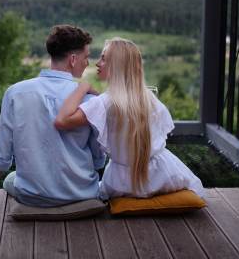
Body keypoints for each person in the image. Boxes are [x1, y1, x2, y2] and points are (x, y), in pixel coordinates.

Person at [0, 25, 106, 206]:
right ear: (72, 59)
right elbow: (97, 160)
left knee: (12, 178)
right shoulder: (90, 99)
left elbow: (1, 155)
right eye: (86, 57)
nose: (87, 63)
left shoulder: (15, 93)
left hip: (33, 197)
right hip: (82, 194)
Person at [54, 37, 204, 200]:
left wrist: (82, 86)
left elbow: (61, 121)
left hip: (122, 182)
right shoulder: (149, 98)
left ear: (117, 65)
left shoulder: (105, 103)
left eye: (103, 59)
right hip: (163, 174)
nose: (97, 63)